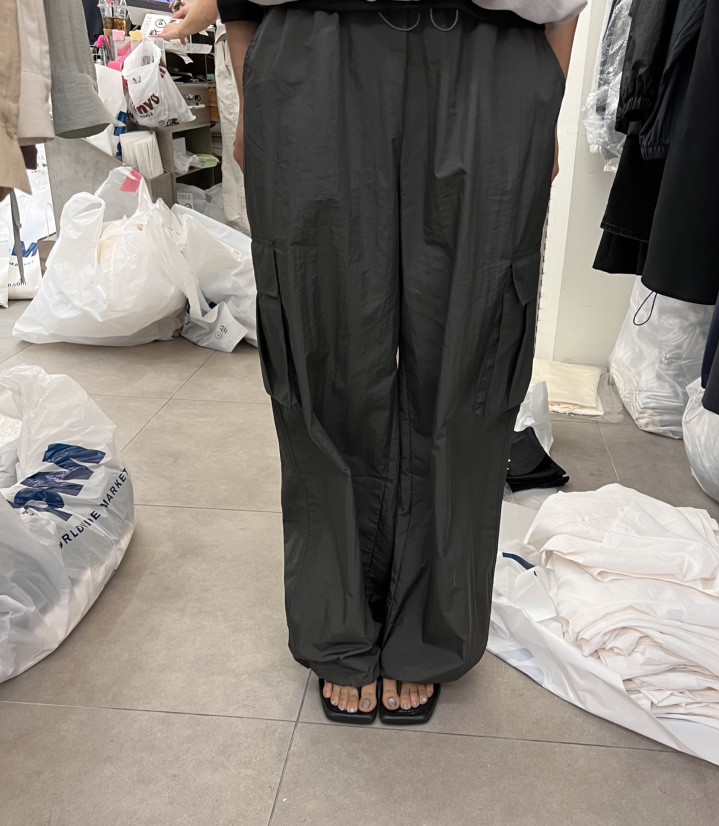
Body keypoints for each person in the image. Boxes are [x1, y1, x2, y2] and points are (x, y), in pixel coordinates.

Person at [220, 0, 582, 724]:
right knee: (318, 350)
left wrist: (546, 96)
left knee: (473, 357)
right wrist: (251, 86)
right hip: (312, 45)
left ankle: (431, 627)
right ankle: (338, 623)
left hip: (493, 50)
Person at [158, 0, 250, 234]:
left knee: (242, 165)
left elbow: (212, 5)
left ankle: (247, 247)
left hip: (242, 41)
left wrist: (181, 29)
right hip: (283, 39)